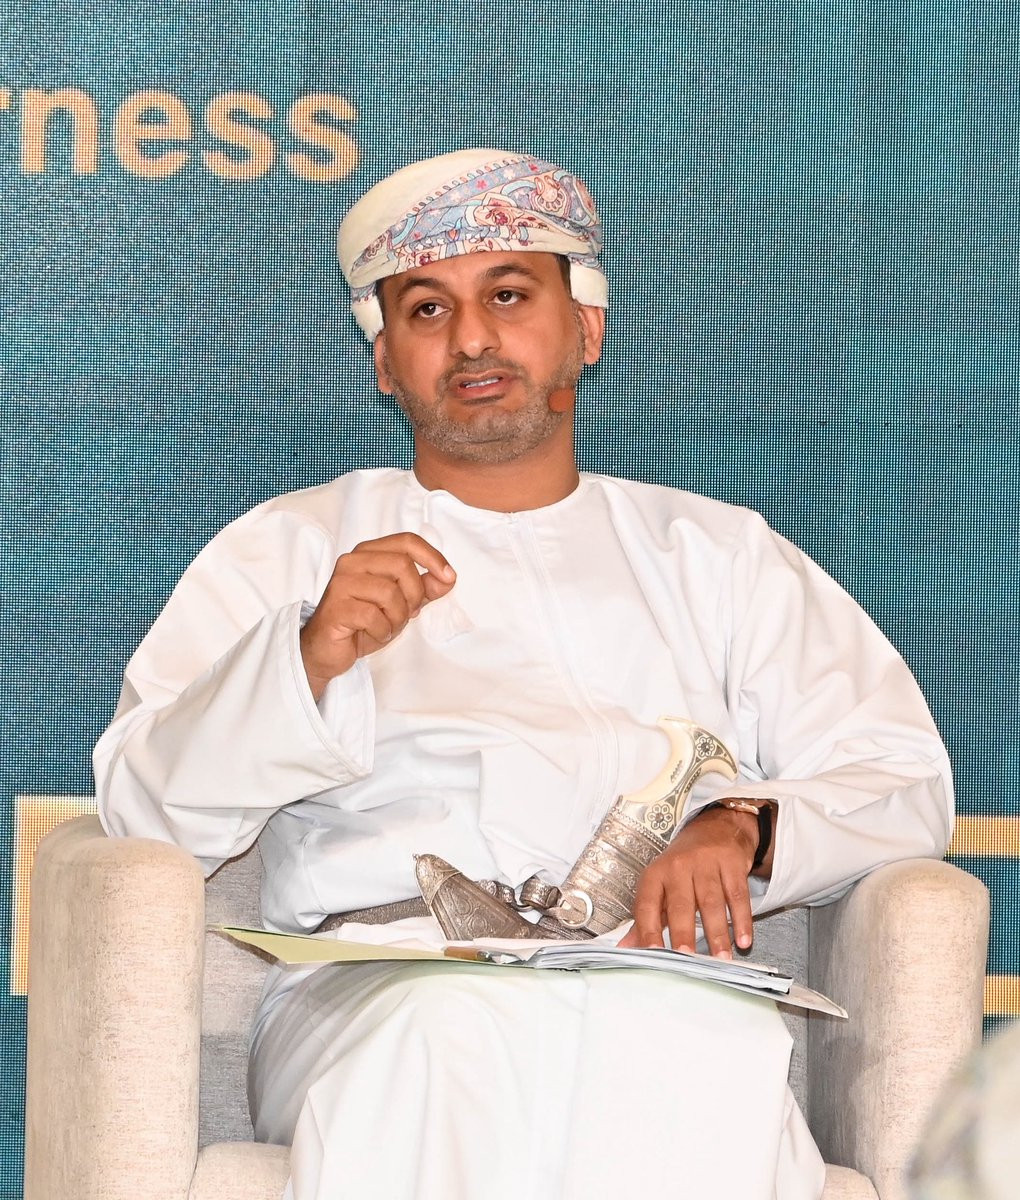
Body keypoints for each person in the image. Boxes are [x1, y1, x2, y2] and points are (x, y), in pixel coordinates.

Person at [94, 148, 954, 1200]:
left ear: (585, 328)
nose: (471, 339)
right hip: (386, 982)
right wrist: (305, 659)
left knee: (701, 1045)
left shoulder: (717, 555)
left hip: (649, 967)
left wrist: (742, 826)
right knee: (453, 1033)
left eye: (508, 295)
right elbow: (145, 809)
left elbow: (902, 775)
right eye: (426, 310)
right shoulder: (290, 547)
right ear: (384, 362)